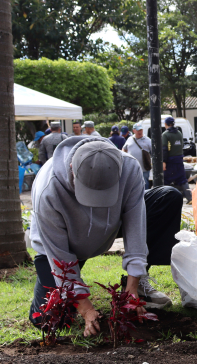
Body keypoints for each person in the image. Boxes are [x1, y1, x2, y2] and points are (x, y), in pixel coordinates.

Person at [28, 137, 180, 336]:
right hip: (63, 243)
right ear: (72, 168)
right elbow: (60, 258)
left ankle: (138, 287)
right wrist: (86, 309)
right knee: (50, 321)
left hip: (109, 227)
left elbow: (136, 229)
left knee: (168, 197)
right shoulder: (48, 189)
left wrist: (131, 289)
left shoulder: (129, 167)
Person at [162, 116, 192, 203]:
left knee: (166, 180)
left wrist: (164, 162)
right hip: (179, 160)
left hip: (170, 162)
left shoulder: (165, 135)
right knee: (182, 179)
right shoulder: (179, 133)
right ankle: (190, 198)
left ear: (166, 124)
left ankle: (164, 199)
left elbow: (164, 149)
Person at [122, 122, 152, 190]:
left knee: (145, 184)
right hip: (132, 169)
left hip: (144, 168)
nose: (140, 132)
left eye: (141, 130)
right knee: (132, 185)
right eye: (138, 130)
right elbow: (124, 149)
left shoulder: (147, 140)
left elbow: (154, 151)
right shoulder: (130, 139)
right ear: (134, 131)